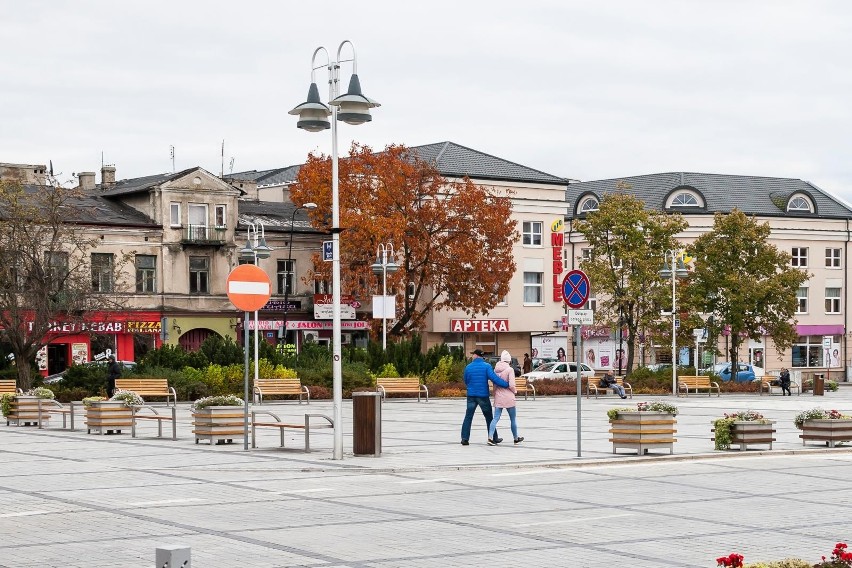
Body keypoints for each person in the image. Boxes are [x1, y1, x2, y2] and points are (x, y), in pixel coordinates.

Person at [461, 349, 510, 445]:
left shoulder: (468, 367)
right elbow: (494, 379)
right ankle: (493, 437)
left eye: (473, 354)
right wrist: (506, 385)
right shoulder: (486, 366)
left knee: (468, 416)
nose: (472, 356)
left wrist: (471, 387)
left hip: (471, 395)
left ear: (476, 355)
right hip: (483, 395)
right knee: (489, 417)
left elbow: (466, 380)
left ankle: (465, 439)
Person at [488, 350, 523, 445]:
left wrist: (495, 394)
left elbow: (495, 384)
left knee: (495, 418)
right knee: (513, 419)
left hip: (498, 396)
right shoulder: (510, 370)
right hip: (508, 397)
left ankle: (490, 437)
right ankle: (516, 438)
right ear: (509, 360)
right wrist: (515, 391)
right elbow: (511, 384)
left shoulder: (495, 370)